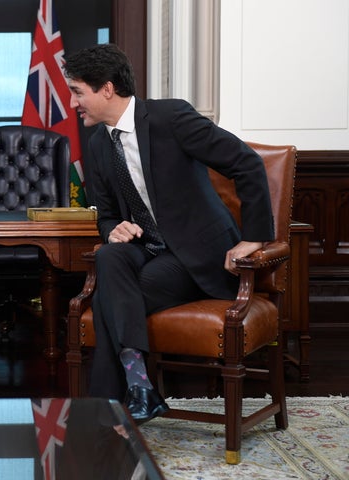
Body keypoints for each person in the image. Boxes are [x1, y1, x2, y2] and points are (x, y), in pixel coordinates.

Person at [62, 44, 274, 424]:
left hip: (198, 256)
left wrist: (254, 237)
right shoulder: (97, 145)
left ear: (107, 89)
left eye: (78, 91)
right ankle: (139, 387)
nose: (74, 102)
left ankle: (108, 406)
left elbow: (248, 164)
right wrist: (114, 229)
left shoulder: (170, 117)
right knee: (110, 256)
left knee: (111, 299)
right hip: (148, 250)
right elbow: (107, 215)